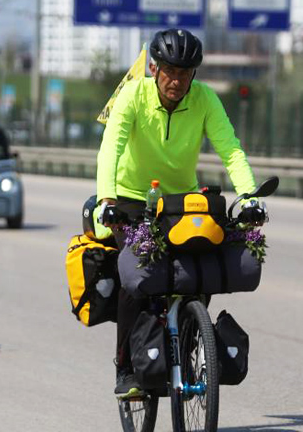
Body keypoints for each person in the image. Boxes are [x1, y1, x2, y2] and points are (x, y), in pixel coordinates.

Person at [95, 29, 260, 397]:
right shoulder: (133, 96)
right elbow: (110, 148)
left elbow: (230, 150)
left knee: (201, 272)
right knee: (135, 275)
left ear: (194, 75)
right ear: (154, 68)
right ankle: (125, 367)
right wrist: (108, 202)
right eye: (170, 70)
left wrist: (248, 196)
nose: (176, 80)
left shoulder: (204, 100)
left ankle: (189, 337)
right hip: (131, 196)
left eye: (185, 73)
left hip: (180, 199)